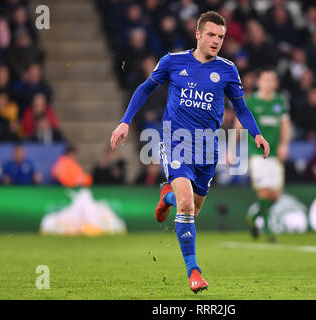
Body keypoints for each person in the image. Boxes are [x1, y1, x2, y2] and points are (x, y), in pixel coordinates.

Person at [110, 11, 269, 293]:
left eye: (221, 37)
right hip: (177, 142)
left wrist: (256, 133)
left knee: (191, 210)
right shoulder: (173, 62)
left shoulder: (228, 70)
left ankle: (166, 196)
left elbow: (240, 108)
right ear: (198, 34)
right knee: (186, 206)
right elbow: (145, 89)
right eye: (211, 35)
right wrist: (125, 122)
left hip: (208, 149)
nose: (216, 41)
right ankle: (194, 271)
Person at [239, 68, 290, 241]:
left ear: (276, 83)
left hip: (275, 154)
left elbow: (285, 125)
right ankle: (268, 230)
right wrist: (231, 149)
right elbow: (238, 125)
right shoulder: (250, 102)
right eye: (266, 79)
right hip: (257, 154)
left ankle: (254, 218)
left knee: (275, 195)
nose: (269, 82)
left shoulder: (279, 102)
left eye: (272, 79)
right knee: (265, 191)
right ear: (259, 82)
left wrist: (284, 145)